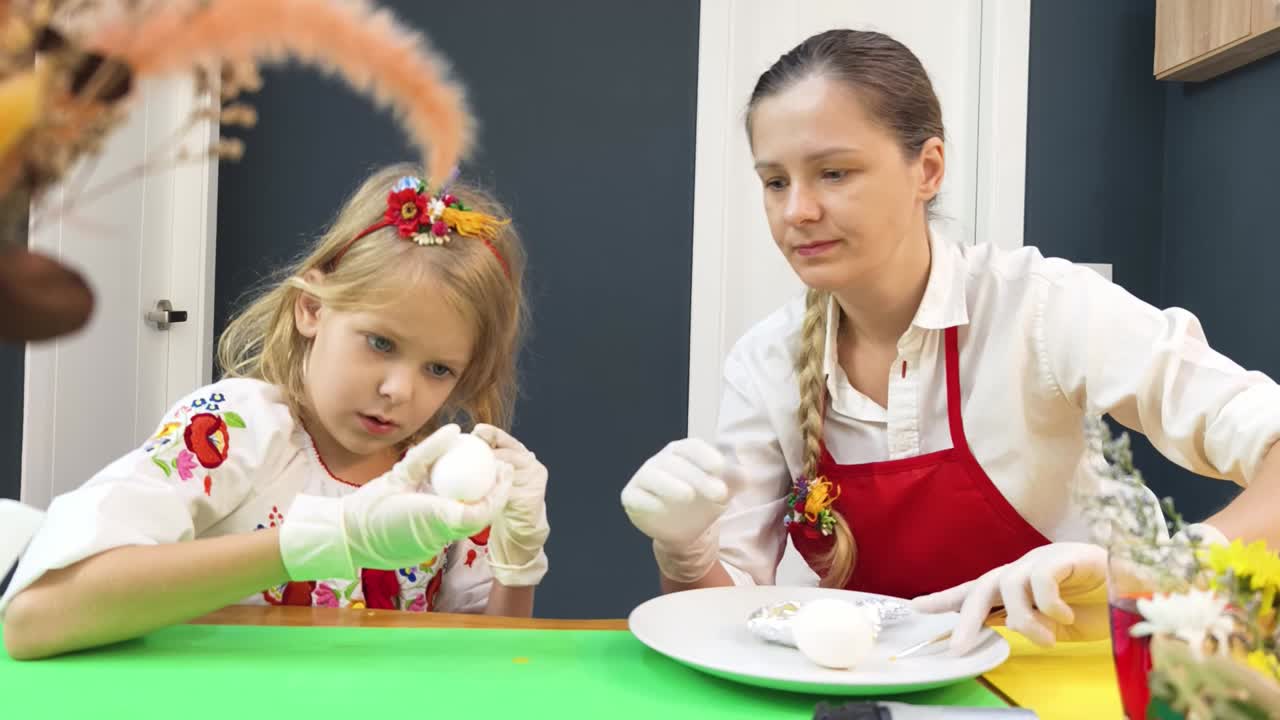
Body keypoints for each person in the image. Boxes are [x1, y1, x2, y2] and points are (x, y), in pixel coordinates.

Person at [621, 29, 1280, 655]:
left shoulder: (1043, 308)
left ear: (927, 169)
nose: (796, 211)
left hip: (1067, 683)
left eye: (834, 173)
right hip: (869, 697)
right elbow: (721, 619)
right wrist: (686, 551)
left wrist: (1153, 569)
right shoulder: (764, 364)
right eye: (775, 181)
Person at [1, 163, 551, 660]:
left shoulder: (445, 481)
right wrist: (332, 537)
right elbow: (35, 619)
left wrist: (516, 563)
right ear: (311, 309)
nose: (398, 390)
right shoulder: (232, 429)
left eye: (439, 370)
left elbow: (487, 670)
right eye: (380, 343)